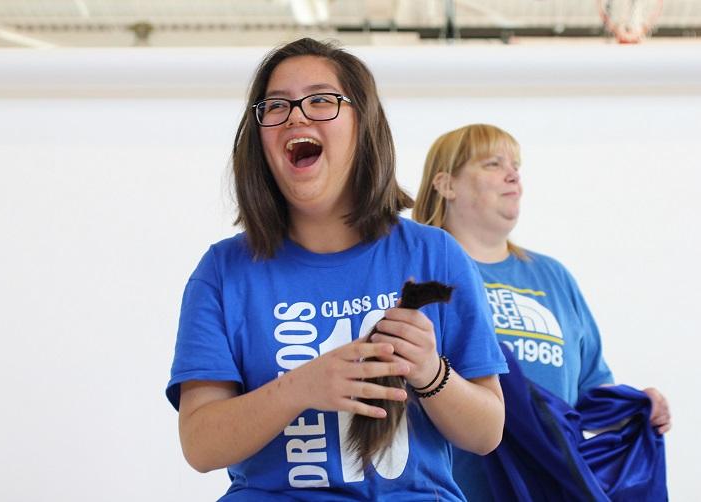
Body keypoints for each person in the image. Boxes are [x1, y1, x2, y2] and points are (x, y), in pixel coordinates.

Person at [166, 40, 508, 501]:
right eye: (276, 105)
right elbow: (201, 444)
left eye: (322, 100)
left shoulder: (436, 255)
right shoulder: (223, 272)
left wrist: (430, 372)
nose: (295, 115)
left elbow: (487, 432)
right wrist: (300, 388)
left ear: (363, 125)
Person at [412, 123, 672, 500]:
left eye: (516, 165)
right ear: (446, 184)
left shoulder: (552, 276)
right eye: (492, 163)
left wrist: (636, 406)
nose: (512, 174)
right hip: (457, 489)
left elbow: (589, 391)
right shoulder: (427, 274)